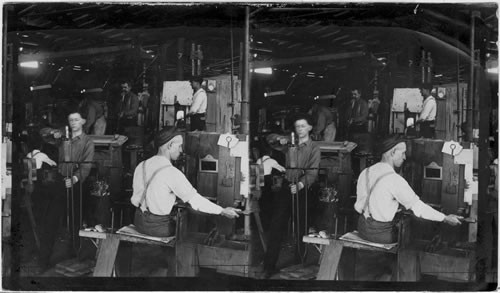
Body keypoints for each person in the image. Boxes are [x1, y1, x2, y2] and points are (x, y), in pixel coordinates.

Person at [130, 127, 240, 237]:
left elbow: (148, 193)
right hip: (158, 229)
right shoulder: (171, 172)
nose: (181, 150)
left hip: (139, 223)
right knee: (188, 234)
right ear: (170, 145)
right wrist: (222, 211)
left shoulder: (141, 165)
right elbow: (196, 201)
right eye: (179, 146)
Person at [354, 135, 463, 244]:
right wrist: (445, 218)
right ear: (393, 153)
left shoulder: (365, 172)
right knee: (415, 233)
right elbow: (419, 208)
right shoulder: (394, 179)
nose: (405, 157)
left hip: (362, 230)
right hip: (381, 235)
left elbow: (373, 201)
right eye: (403, 153)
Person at [260, 114, 321, 278]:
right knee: (277, 224)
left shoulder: (314, 147)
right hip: (287, 187)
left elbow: (313, 172)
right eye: (297, 126)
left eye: (303, 126)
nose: (300, 129)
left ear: (309, 128)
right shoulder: (290, 142)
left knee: (301, 226)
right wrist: (279, 138)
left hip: (303, 189)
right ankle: (269, 265)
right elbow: (269, 139)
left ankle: (299, 264)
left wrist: (300, 185)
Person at [37, 110, 95, 271]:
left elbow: (86, 166)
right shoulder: (63, 136)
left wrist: (75, 179)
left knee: (76, 222)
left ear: (83, 121)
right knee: (51, 221)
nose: (74, 122)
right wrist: (52, 132)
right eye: (71, 120)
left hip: (76, 185)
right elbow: (42, 134)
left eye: (77, 119)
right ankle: (43, 261)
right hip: (61, 182)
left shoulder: (88, 142)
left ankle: (75, 257)